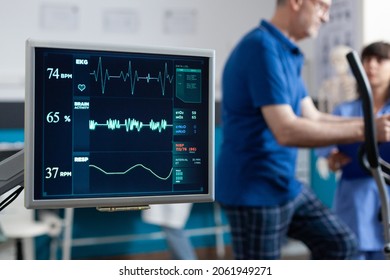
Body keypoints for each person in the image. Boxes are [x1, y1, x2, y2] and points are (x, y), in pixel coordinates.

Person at [215, 0, 390, 260]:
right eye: (322, 6)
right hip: (255, 187)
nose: (326, 17)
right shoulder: (261, 48)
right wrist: (368, 130)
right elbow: (286, 130)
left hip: (284, 183)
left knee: (340, 244)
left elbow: (313, 116)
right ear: (297, 2)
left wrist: (372, 125)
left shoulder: (288, 52)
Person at [325, 41, 390, 260]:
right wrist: (332, 158)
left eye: (380, 60)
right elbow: (328, 151)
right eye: (367, 59)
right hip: (353, 199)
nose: (371, 65)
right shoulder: (344, 110)